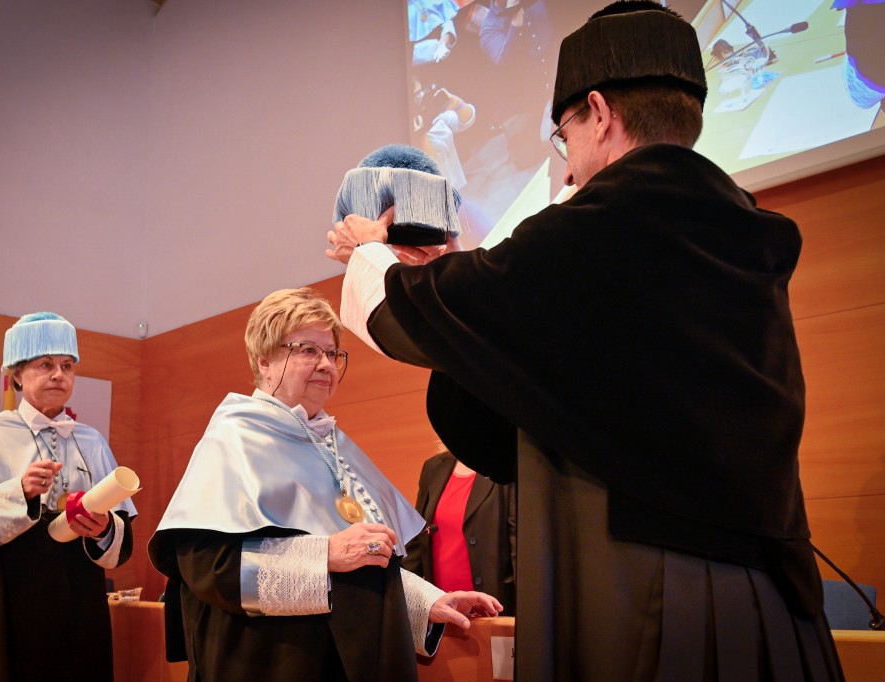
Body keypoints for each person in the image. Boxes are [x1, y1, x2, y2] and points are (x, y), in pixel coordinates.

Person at [325, 2, 844, 679]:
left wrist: (373, 252)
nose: (566, 167)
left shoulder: (603, 223)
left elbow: (423, 316)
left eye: (563, 135)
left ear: (599, 112)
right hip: (770, 597)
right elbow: (563, 361)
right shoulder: (742, 230)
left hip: (648, 586)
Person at [147, 287, 501, 682]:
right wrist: (324, 555)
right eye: (307, 350)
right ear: (265, 361)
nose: (326, 365)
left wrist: (428, 601)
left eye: (332, 353)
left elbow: (362, 562)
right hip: (266, 661)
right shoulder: (234, 438)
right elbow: (209, 569)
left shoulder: (331, 444)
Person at [0, 312, 137, 682]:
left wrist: (103, 528)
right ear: (17, 376)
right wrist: (18, 492)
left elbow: (123, 532)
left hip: (76, 608)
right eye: (45, 364)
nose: (59, 374)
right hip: (4, 604)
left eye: (67, 366)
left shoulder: (91, 440)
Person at [403, 450, 516, 614]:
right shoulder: (433, 467)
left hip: (495, 613)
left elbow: (521, 553)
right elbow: (417, 541)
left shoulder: (507, 465)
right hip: (442, 614)